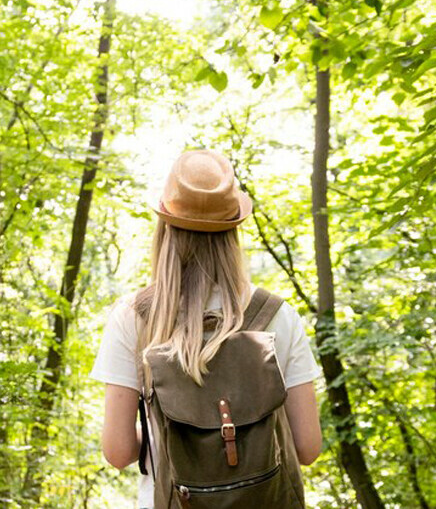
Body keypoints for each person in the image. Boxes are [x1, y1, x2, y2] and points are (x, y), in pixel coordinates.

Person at [90, 149, 322, 508]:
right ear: (233, 232)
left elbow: (118, 452)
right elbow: (307, 447)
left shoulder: (133, 318)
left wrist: (170, 430)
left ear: (165, 228)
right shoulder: (278, 316)